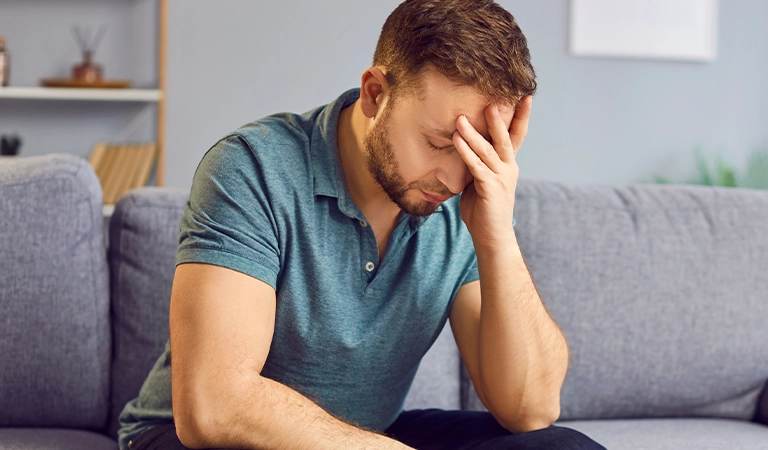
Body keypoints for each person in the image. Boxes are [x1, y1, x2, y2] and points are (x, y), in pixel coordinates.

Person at [117, 1, 605, 449]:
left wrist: (495, 233)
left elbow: (531, 408)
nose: (456, 179)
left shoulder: (467, 196)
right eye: (439, 143)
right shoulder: (253, 168)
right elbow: (214, 406)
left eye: (476, 153)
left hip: (362, 436)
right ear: (376, 93)